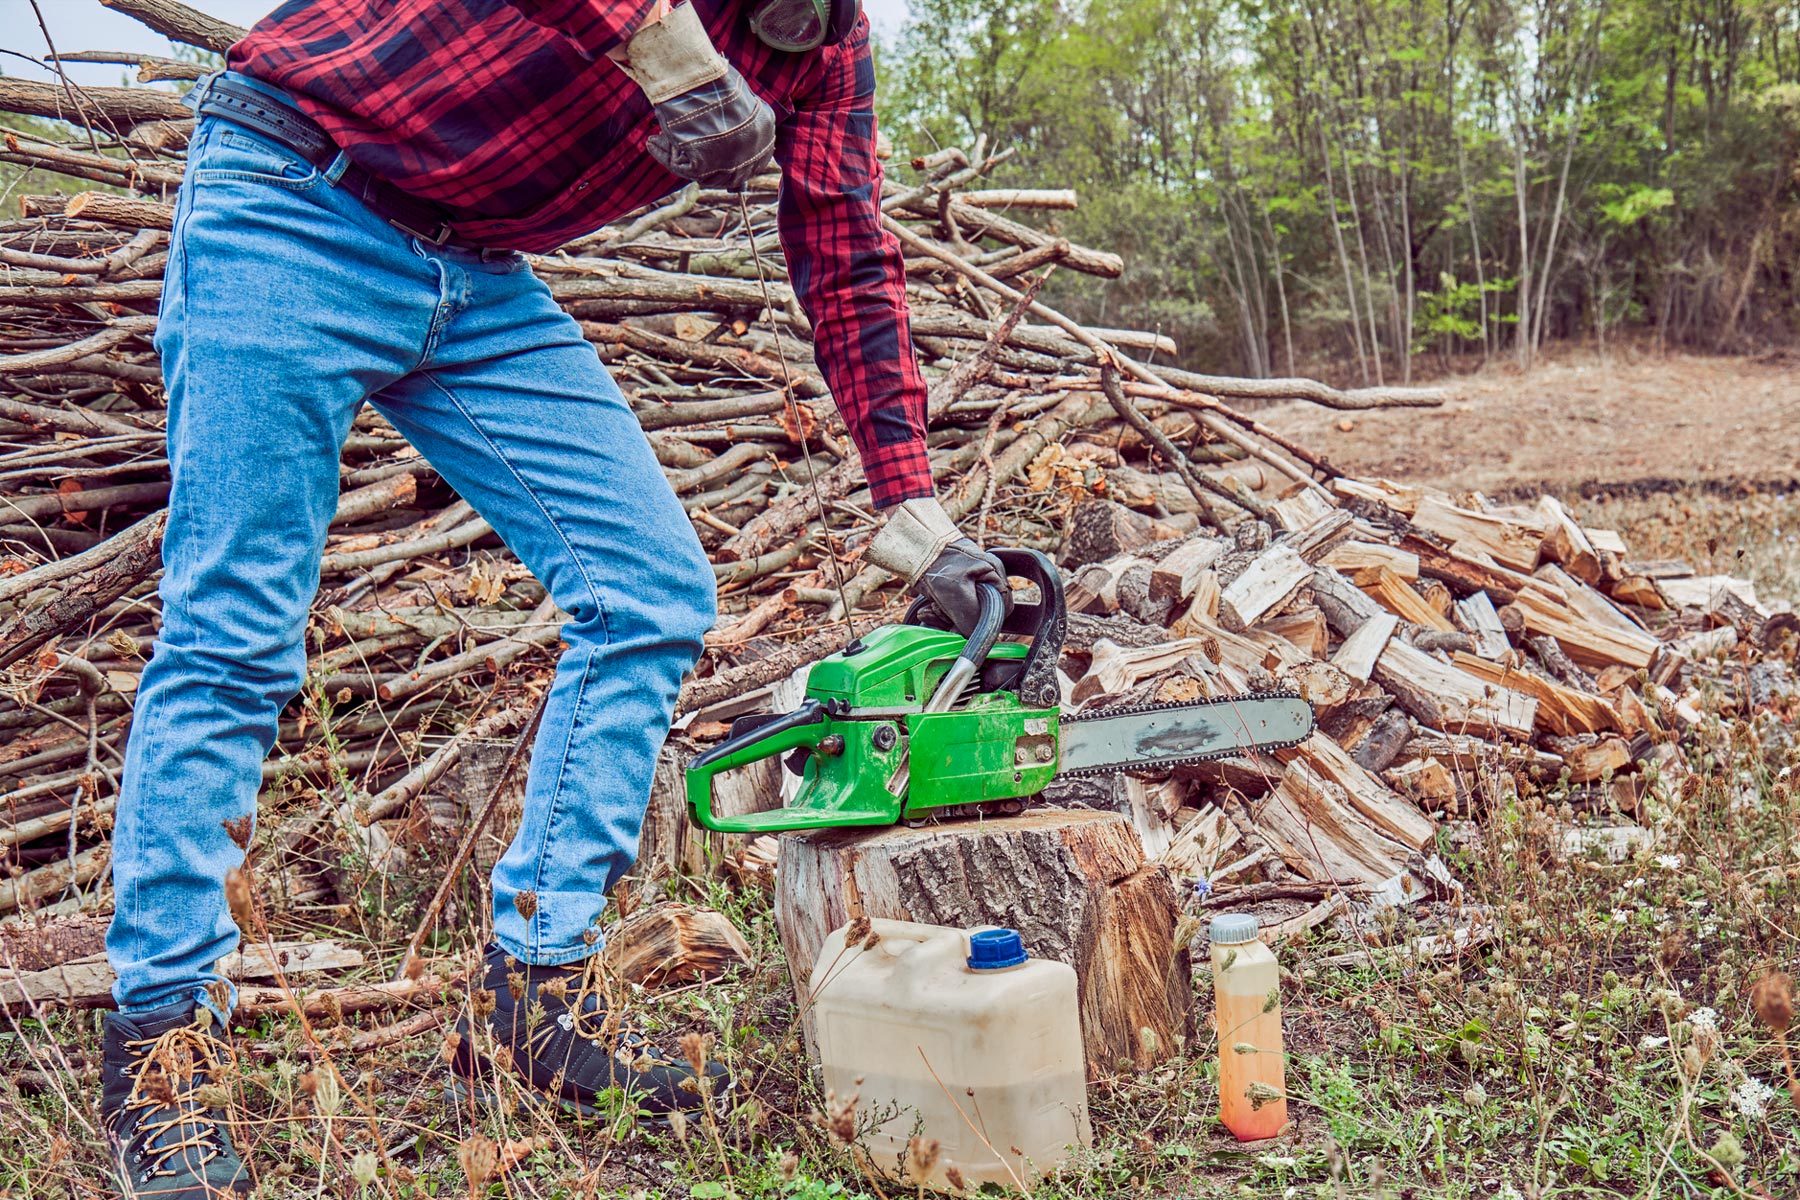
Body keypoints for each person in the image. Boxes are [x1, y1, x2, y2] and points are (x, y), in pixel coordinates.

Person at [98, 1, 1005, 1194]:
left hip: (471, 271)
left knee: (652, 592)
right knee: (236, 636)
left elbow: (844, 247)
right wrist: (662, 47)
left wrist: (911, 502)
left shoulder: (827, 54)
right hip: (292, 191)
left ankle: (536, 988)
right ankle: (160, 1047)